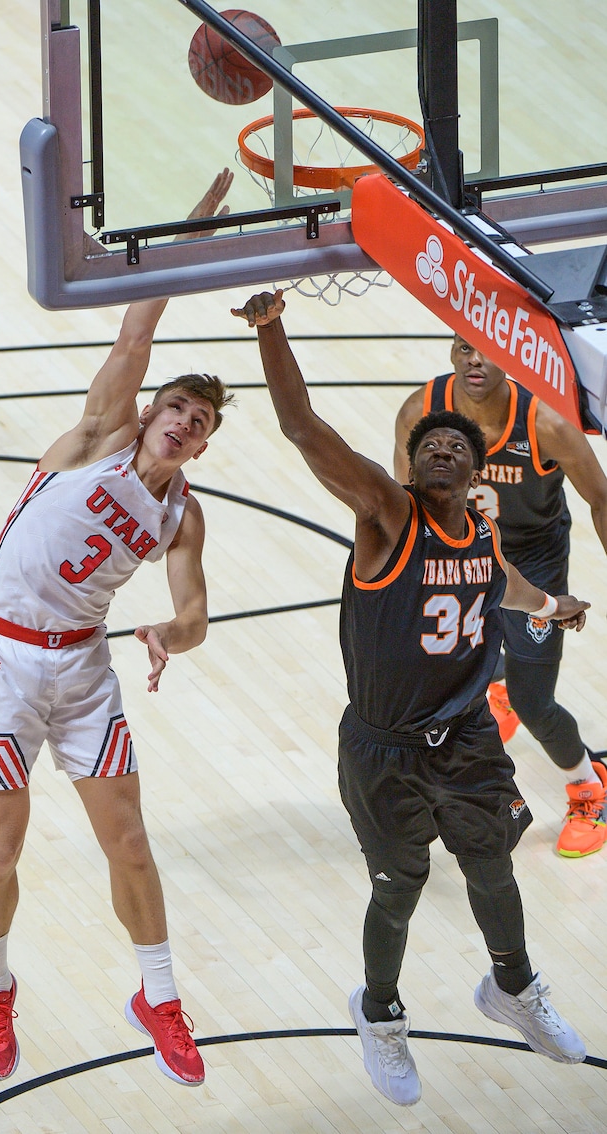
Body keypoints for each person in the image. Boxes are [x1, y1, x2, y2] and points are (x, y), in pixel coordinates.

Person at [232, 288, 588, 1108]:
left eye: (455, 449)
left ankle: (513, 987)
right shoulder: (387, 516)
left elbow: (502, 581)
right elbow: (303, 430)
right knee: (399, 887)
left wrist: (554, 606)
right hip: (382, 744)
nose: (441, 451)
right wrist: (272, 328)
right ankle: (381, 1012)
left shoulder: (483, 533)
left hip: (464, 738)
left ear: (474, 472)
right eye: (428, 445)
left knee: (493, 869)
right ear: (411, 463)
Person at [0, 170, 235, 1087]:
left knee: (131, 844)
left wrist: (168, 633)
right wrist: (194, 230)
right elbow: (137, 327)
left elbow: (196, 617)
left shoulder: (180, 516)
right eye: (175, 411)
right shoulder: (95, 439)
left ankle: (159, 997)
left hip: (83, 673)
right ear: (148, 415)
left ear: (199, 447)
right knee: (0, 847)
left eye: (197, 425)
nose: (182, 426)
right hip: (0, 656)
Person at [394, 335, 607, 858]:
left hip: (533, 558)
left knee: (536, 703)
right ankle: (502, 682)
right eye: (464, 347)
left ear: (511, 359)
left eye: (487, 350)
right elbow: (407, 498)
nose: (475, 359)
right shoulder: (422, 410)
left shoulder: (545, 423)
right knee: (444, 657)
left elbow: (600, 497)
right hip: (465, 549)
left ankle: (589, 789)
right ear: (451, 352)